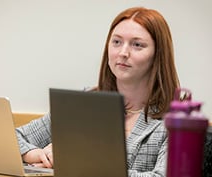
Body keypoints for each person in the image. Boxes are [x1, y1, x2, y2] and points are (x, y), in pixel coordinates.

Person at [16, 6, 180, 177]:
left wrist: (77, 163)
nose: (123, 53)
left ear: (158, 54)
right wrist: (36, 155)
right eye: (116, 42)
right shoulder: (84, 102)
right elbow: (13, 138)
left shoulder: (176, 119)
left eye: (137, 45)